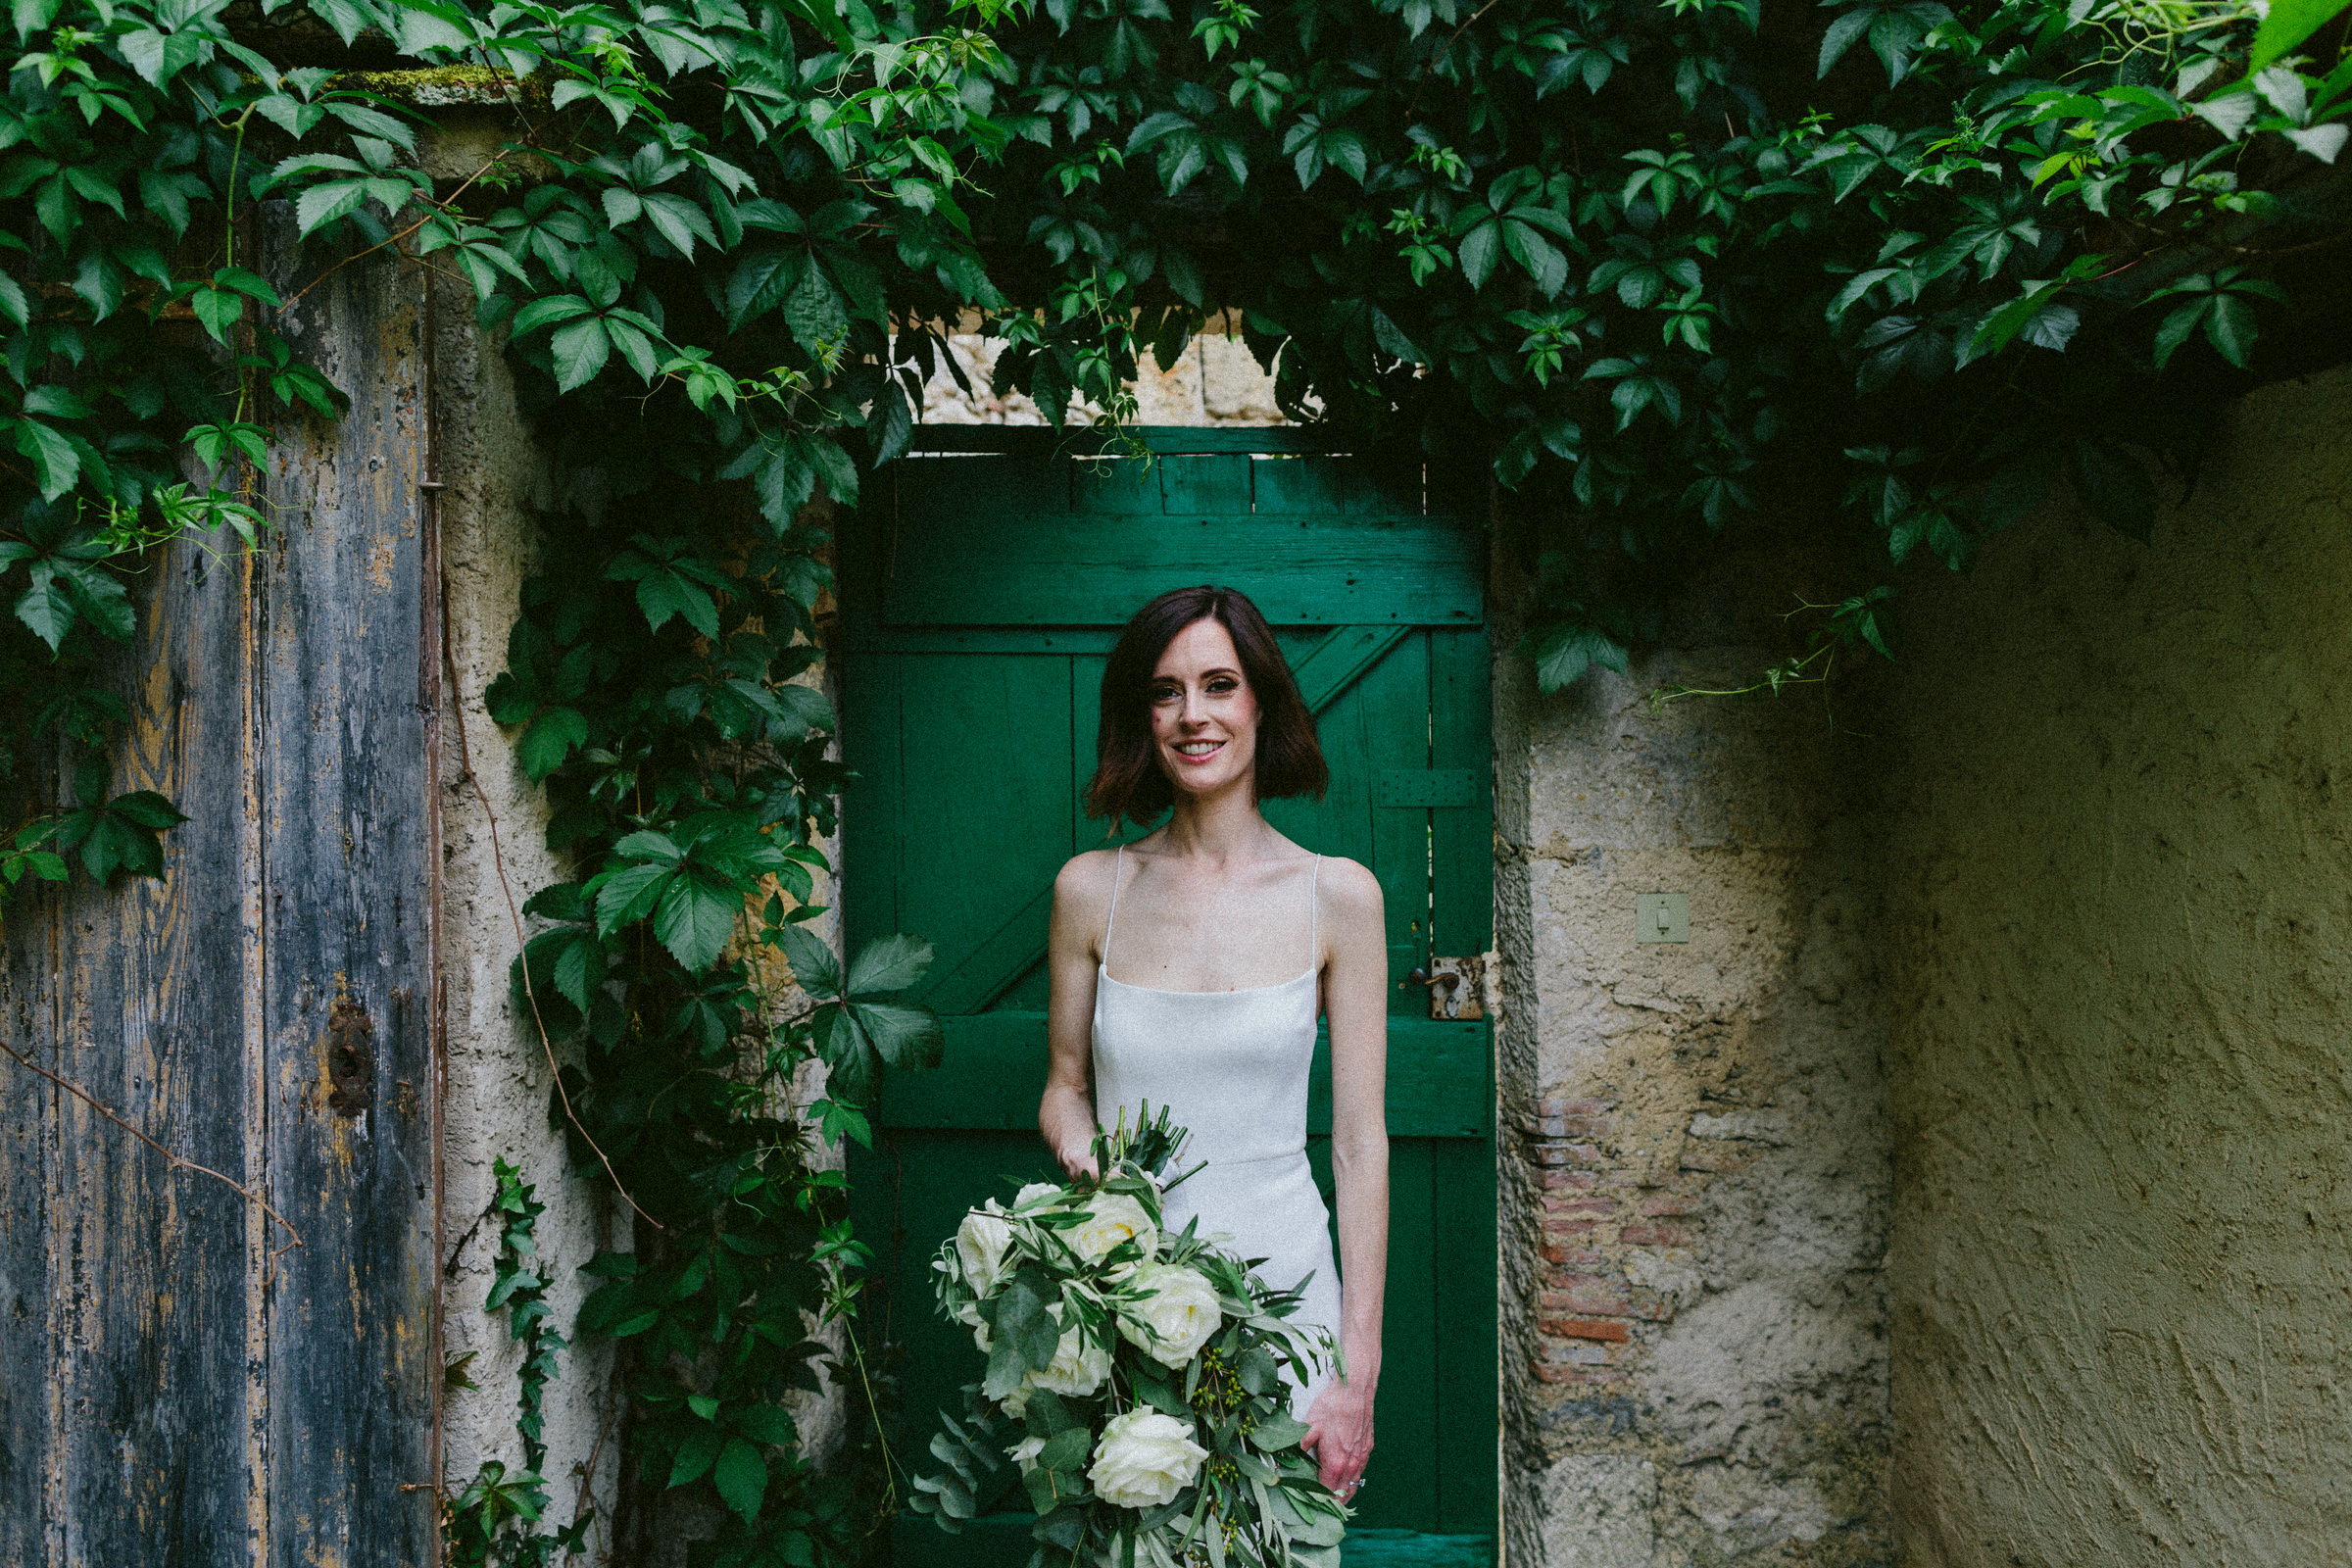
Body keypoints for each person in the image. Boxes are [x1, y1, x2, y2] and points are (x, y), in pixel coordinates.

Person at [1037, 584, 1389, 1505]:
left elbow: (1358, 1145)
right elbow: (1065, 1086)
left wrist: (1359, 1373)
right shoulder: (1091, 890)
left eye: (1219, 685)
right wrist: (1089, 1169)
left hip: (1290, 1307)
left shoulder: (1338, 896)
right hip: (1126, 1303)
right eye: (1165, 691)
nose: (1193, 715)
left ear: (1260, 704)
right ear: (1141, 716)